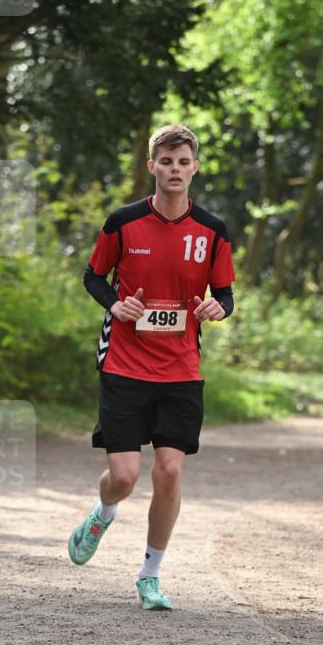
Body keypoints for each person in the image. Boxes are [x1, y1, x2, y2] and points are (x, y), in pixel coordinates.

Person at [67, 124, 236, 610]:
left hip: (181, 368)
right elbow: (93, 276)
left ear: (195, 168)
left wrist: (218, 308)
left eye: (183, 162)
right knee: (124, 477)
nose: (175, 170)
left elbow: (224, 294)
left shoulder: (213, 231)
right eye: (166, 162)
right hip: (124, 362)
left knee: (169, 472)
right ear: (152, 167)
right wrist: (115, 305)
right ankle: (102, 513)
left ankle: (150, 575)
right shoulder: (123, 222)